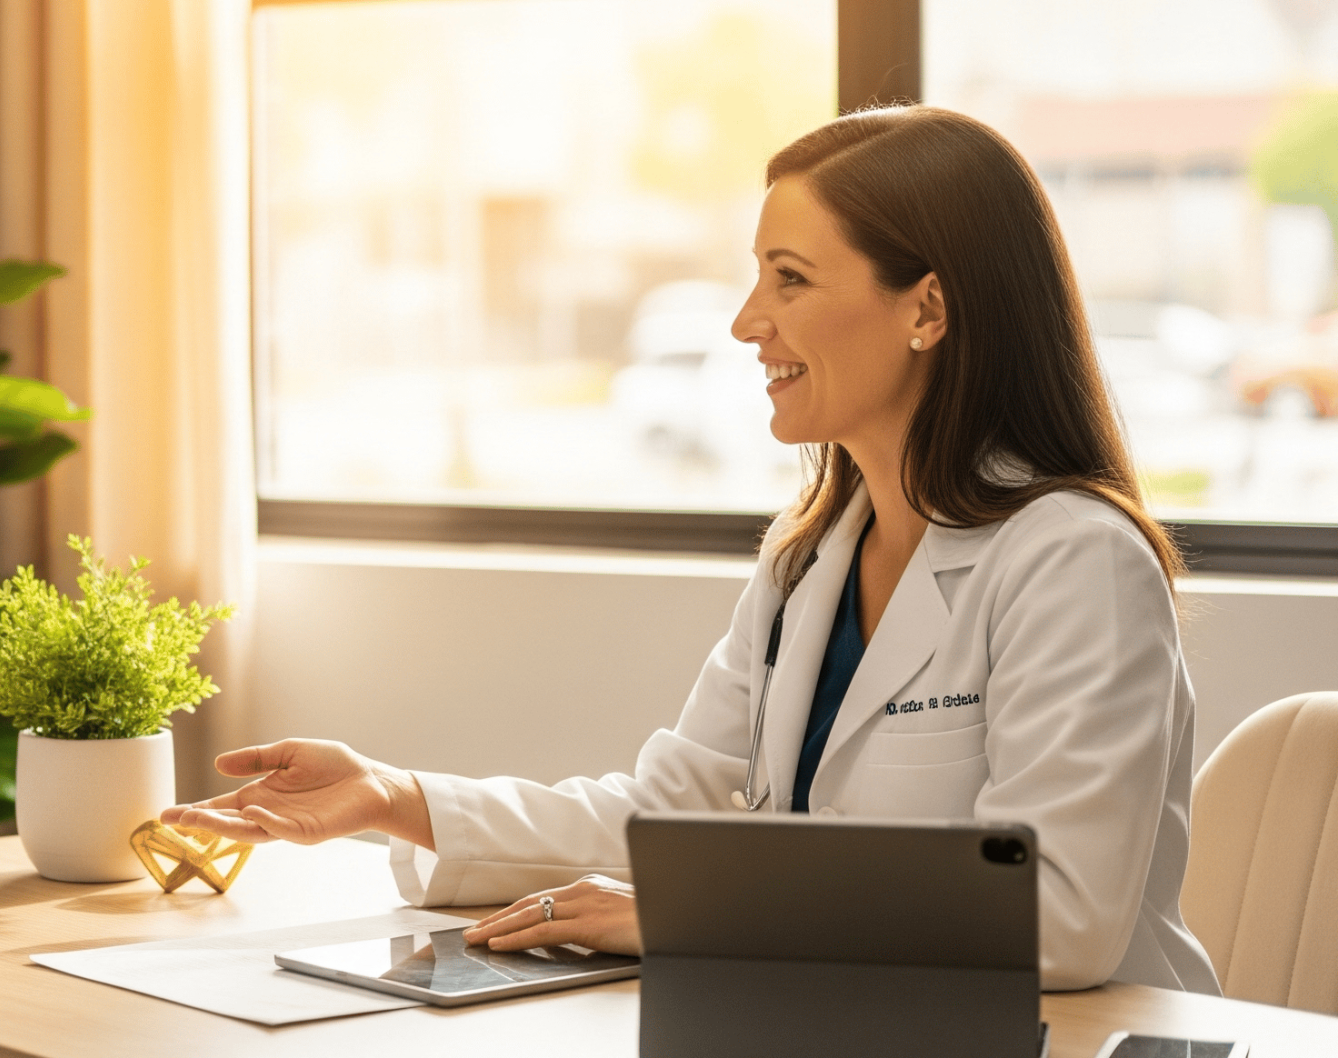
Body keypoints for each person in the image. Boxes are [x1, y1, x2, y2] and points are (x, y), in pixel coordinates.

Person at [165, 106, 1219, 994]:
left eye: (790, 279)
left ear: (927, 309)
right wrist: (392, 795)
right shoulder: (807, 558)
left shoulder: (1076, 560)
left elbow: (1060, 919)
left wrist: (695, 913)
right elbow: (669, 814)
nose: (745, 321)